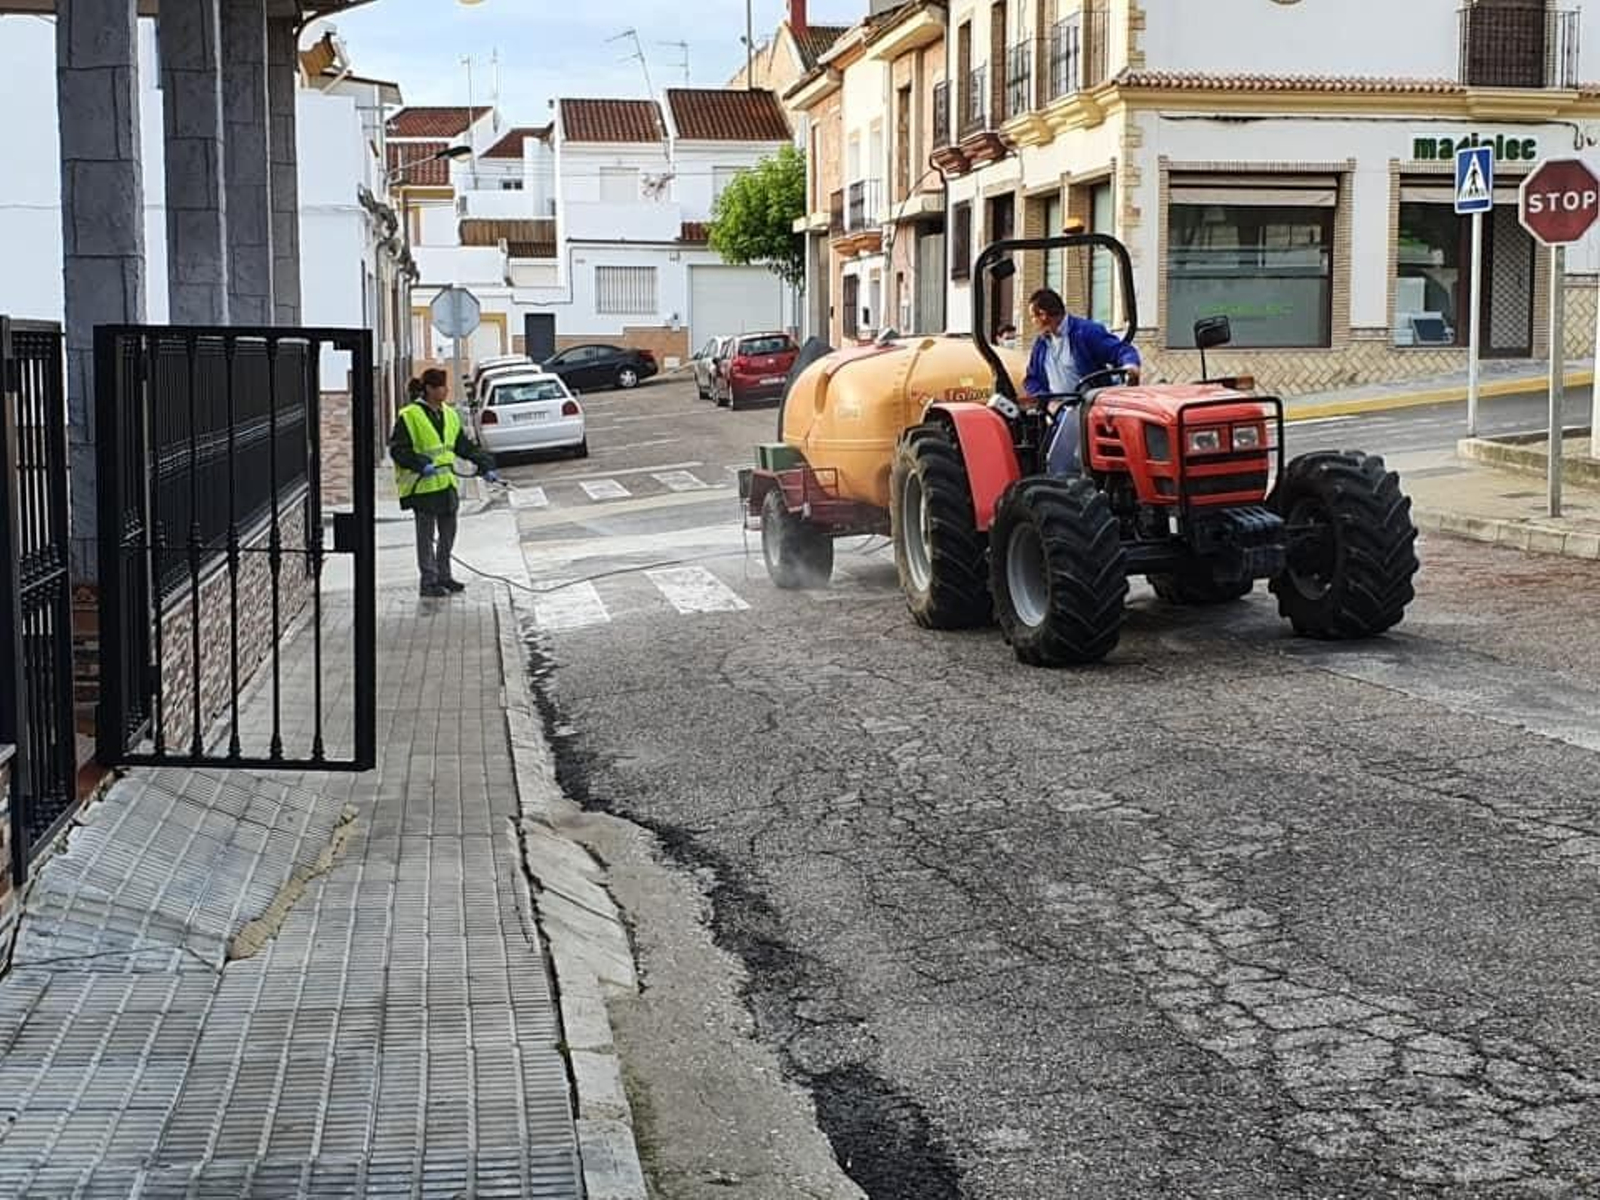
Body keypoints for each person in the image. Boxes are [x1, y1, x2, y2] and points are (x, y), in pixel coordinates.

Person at [390, 367, 499, 597]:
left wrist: (486, 465)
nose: (445, 390)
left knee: (448, 535)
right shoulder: (409, 416)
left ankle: (444, 576)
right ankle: (428, 582)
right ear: (429, 389)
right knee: (426, 537)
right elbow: (398, 450)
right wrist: (421, 464)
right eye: (441, 387)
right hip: (422, 486)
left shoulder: (449, 415)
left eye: (445, 386)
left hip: (446, 486)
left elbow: (463, 446)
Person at [1021, 287, 1142, 475]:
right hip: (1058, 412)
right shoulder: (1042, 343)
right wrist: (1048, 401)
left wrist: (1130, 366)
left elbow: (1121, 351)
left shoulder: (1086, 332)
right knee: (1054, 461)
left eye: (1032, 317)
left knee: (1071, 462)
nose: (1032, 322)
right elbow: (1031, 380)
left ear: (1043, 315)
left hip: (1088, 408)